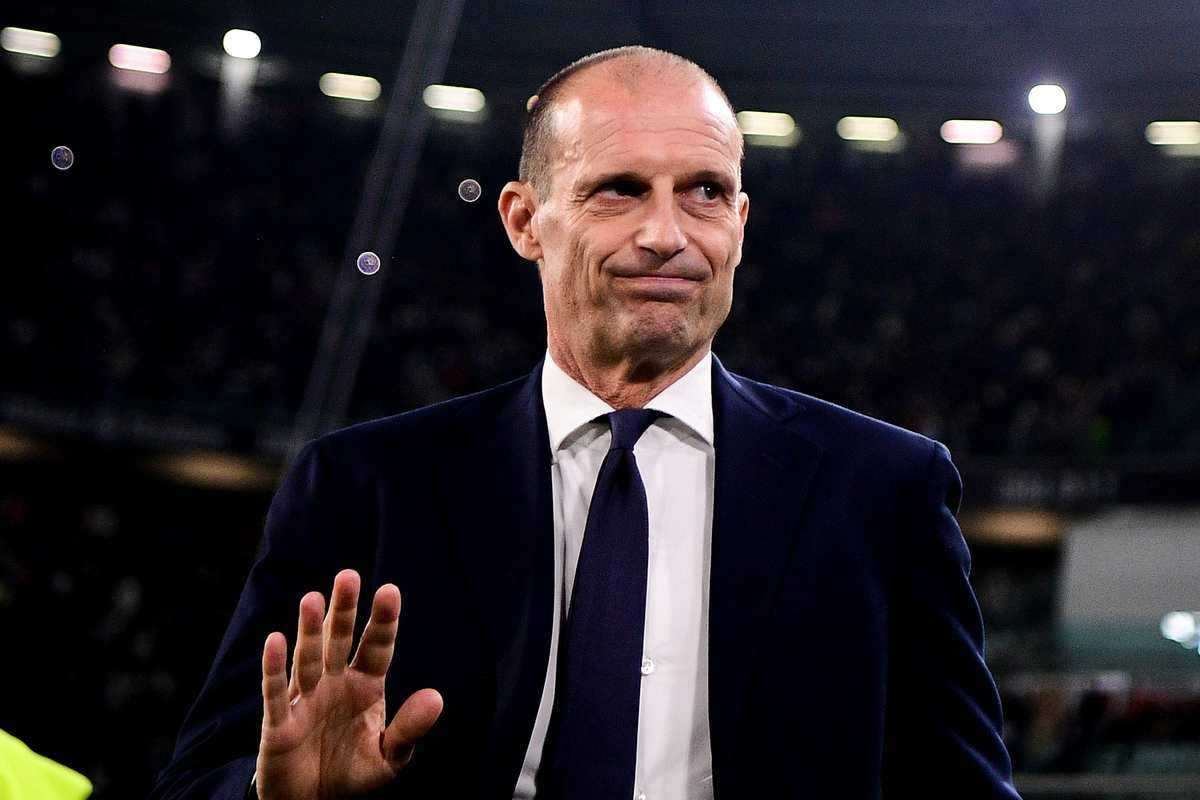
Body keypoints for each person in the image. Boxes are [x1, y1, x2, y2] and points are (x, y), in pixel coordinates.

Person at [150, 45, 1022, 800]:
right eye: (620, 190)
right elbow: (199, 779)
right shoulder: (363, 485)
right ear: (525, 221)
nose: (666, 233)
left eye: (706, 192)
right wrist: (272, 796)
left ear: (741, 224)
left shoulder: (882, 490)